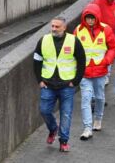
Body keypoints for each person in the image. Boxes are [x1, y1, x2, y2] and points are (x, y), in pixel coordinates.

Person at [33, 16, 86, 153]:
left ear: (64, 27)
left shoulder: (73, 41)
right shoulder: (43, 40)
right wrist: (40, 80)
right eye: (52, 26)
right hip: (48, 84)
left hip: (66, 85)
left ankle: (64, 141)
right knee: (44, 110)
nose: (54, 29)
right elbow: (37, 61)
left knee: (66, 114)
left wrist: (75, 81)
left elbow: (81, 61)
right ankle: (53, 129)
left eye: (57, 27)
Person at [73, 2, 115, 140]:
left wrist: (106, 61)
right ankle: (87, 127)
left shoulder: (106, 30)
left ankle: (98, 119)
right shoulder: (78, 31)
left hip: (100, 70)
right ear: (84, 18)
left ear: (97, 17)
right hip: (84, 72)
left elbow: (113, 47)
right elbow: (73, 50)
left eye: (92, 18)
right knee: (85, 99)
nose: (90, 20)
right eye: (88, 18)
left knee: (99, 97)